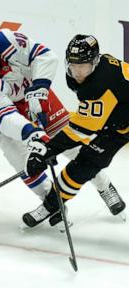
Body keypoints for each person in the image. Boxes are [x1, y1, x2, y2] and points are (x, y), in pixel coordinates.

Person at [0, 30, 123, 226]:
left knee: (73, 147)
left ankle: (105, 187)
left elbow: (45, 55)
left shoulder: (5, 40)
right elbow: (4, 116)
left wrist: (39, 86)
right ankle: (52, 203)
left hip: (34, 92)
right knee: (21, 160)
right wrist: (32, 134)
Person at [23, 34, 128, 227]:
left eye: (83, 66)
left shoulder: (99, 85)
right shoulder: (88, 74)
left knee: (86, 160)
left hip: (118, 120)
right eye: (73, 65)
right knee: (84, 164)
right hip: (117, 122)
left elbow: (81, 130)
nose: (77, 71)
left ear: (95, 62)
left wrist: (49, 149)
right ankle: (51, 205)